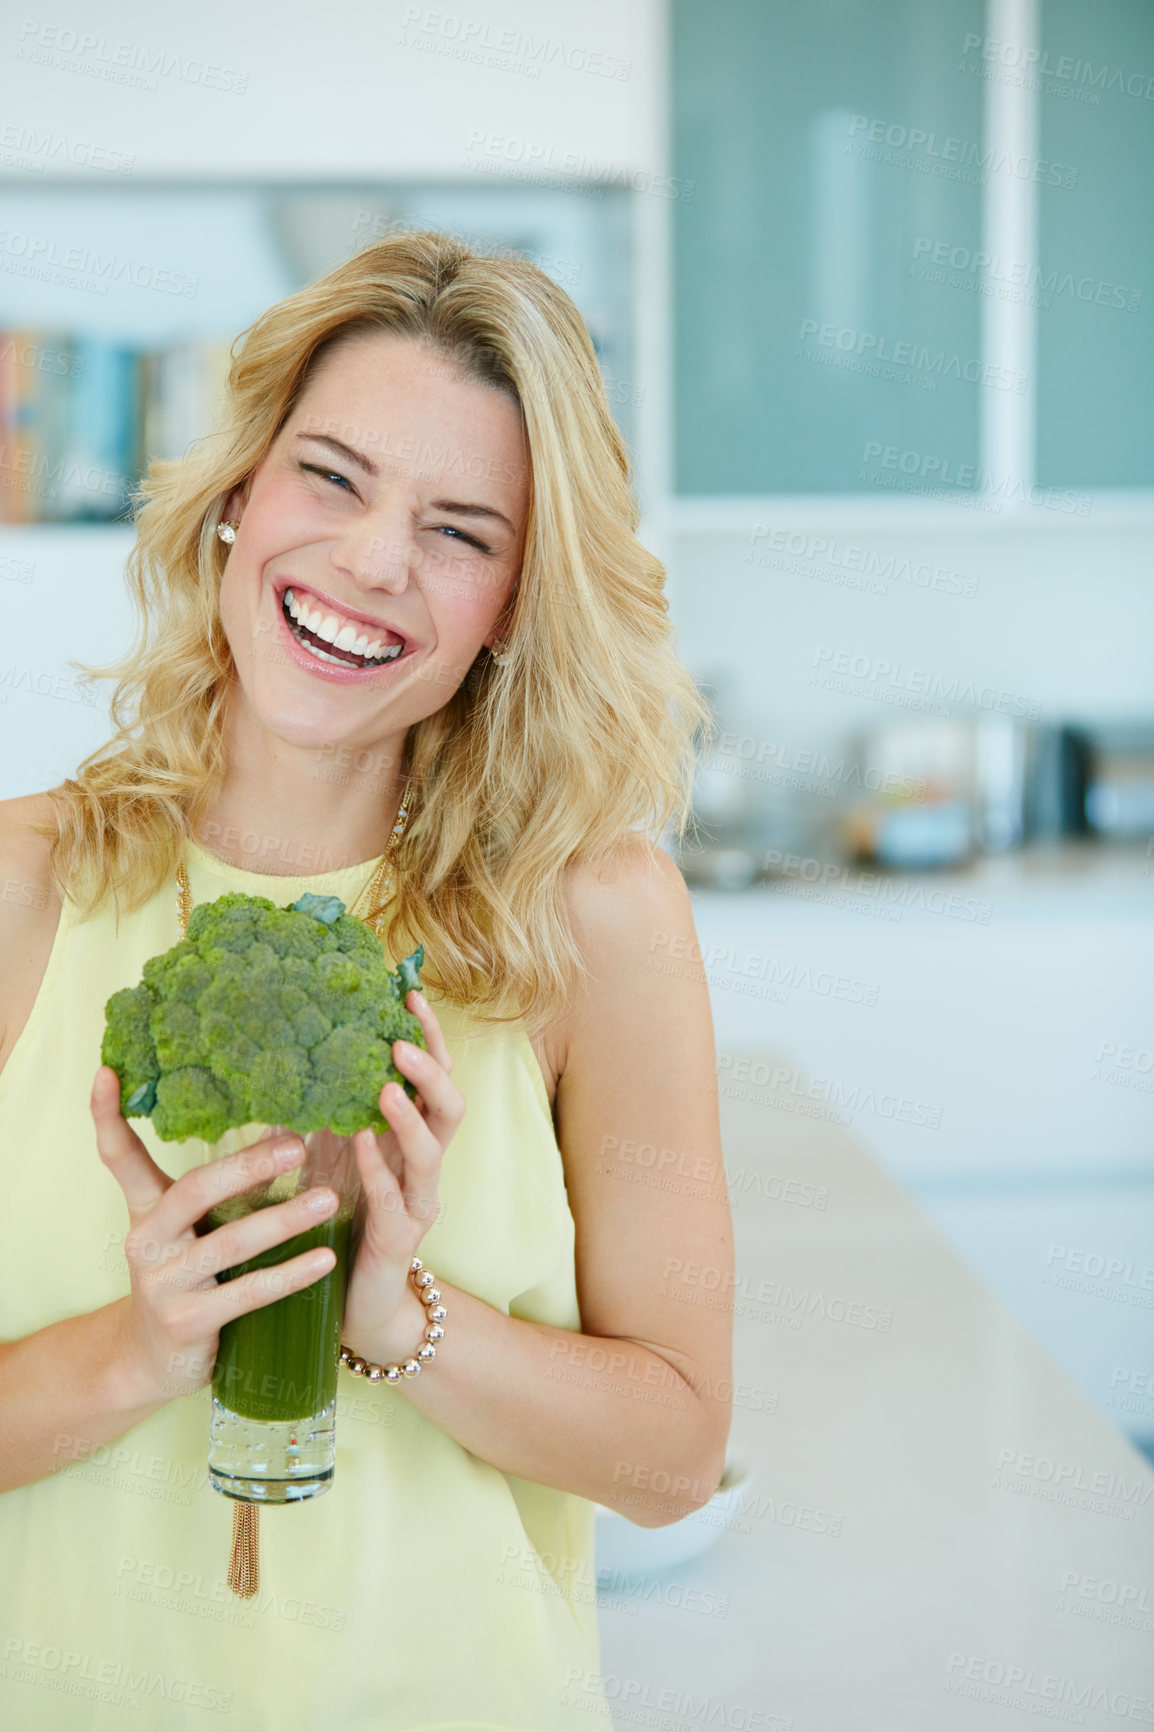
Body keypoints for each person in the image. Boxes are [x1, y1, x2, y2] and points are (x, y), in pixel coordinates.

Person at [0, 229, 734, 1731]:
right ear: (239, 496)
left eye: (462, 531)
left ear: (516, 605)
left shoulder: (592, 923)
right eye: (330, 478)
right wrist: (140, 1349)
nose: (372, 562)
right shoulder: (25, 886)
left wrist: (403, 1321)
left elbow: (672, 1457)